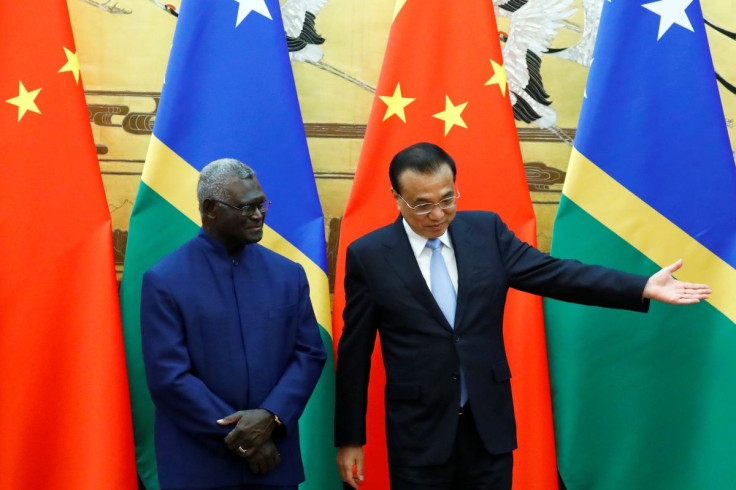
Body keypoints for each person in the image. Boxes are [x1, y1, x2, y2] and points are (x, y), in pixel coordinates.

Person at [334, 142, 711, 490]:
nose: (437, 214)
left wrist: (641, 285)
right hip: (419, 435)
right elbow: (354, 355)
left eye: (447, 199)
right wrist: (350, 438)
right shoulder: (370, 255)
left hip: (488, 428)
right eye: (421, 204)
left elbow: (557, 274)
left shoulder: (486, 232)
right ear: (397, 198)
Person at [141, 158, 327, 490]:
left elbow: (309, 353)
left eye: (261, 204)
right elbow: (169, 378)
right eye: (246, 207)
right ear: (211, 209)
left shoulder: (288, 275)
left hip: (273, 462)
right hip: (200, 466)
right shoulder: (165, 280)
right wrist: (243, 437)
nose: (259, 215)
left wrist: (271, 416)